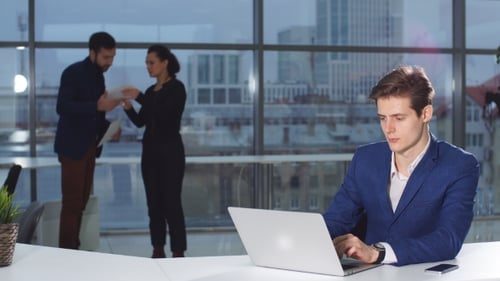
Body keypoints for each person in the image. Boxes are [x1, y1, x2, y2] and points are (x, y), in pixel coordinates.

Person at [323, 65, 479, 266]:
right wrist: (314, 243)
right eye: (383, 118)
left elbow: (448, 239)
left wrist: (377, 253)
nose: (389, 129)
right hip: (366, 276)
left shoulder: (459, 165)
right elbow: (336, 220)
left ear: (425, 114)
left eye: (399, 118)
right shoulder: (365, 159)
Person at [54, 31, 122, 249]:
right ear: (92, 53)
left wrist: (109, 128)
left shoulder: (98, 76)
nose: (109, 62)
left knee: (80, 203)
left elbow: (96, 115)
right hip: (73, 148)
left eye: (112, 57)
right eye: (105, 57)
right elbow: (63, 107)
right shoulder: (73, 72)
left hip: (90, 147)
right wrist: (96, 106)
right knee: (72, 204)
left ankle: (73, 248)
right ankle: (67, 252)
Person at [122, 44, 187, 258]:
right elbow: (142, 122)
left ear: (164, 63)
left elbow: (164, 114)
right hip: (150, 154)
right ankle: (157, 248)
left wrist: (139, 97)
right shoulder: (151, 91)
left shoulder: (177, 89)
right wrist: (129, 108)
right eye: (146, 63)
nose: (148, 67)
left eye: (152, 63)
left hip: (170, 154)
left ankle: (178, 252)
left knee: (171, 203)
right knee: (154, 204)